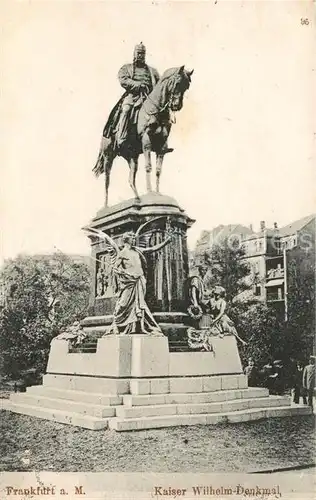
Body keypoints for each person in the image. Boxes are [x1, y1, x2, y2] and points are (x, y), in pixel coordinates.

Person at [103, 42, 173, 152]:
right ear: (134, 54)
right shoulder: (127, 68)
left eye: (142, 53)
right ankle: (122, 136)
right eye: (138, 53)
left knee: (163, 112)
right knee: (126, 109)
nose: (140, 56)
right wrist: (138, 85)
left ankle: (162, 143)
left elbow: (159, 86)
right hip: (133, 96)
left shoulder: (153, 71)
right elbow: (123, 79)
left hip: (149, 98)